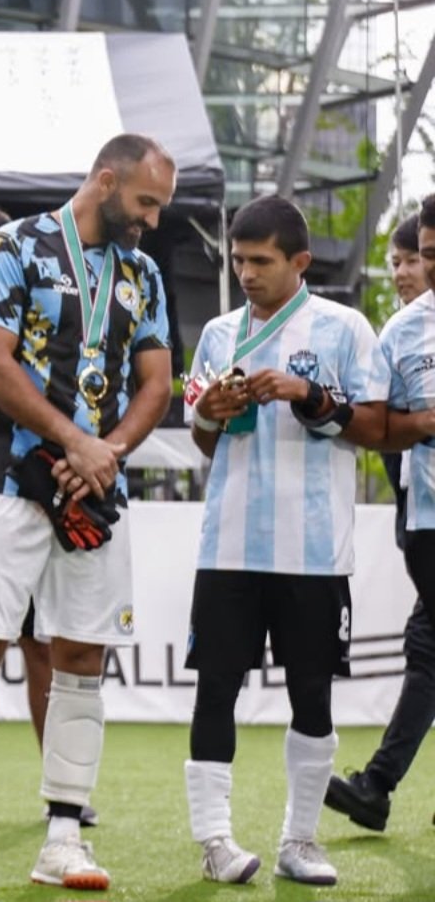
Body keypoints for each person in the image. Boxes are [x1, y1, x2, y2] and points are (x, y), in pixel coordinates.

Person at [0, 135, 177, 891]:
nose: (152, 220)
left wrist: (105, 451)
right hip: (8, 484)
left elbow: (157, 382)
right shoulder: (14, 246)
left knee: (81, 658)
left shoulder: (142, 272)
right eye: (145, 202)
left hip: (95, 494)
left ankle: (64, 838)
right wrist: (75, 439)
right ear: (106, 181)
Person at [182, 195, 389, 885]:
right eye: (238, 260)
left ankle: (300, 841)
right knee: (215, 690)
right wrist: (209, 413)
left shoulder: (344, 327)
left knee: (312, 694)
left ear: (300, 261)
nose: (245, 273)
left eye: (260, 261)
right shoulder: (218, 334)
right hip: (228, 546)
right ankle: (215, 841)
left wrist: (309, 395)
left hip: (315, 551)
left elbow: (376, 428)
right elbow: (204, 442)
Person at [324, 211, 435, 832]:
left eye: (419, 256)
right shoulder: (401, 331)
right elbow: (377, 426)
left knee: (428, 650)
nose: (416, 269)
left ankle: (377, 786)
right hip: (426, 522)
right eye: (417, 255)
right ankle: (376, 786)